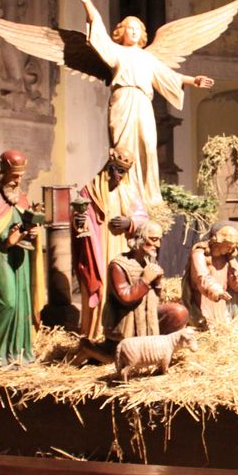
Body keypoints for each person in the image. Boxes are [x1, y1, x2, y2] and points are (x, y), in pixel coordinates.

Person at [77, 0, 215, 208]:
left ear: (142, 34)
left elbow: (168, 75)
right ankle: (124, 194)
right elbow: (98, 32)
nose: (133, 31)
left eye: (137, 29)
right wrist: (87, 3)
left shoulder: (147, 57)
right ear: (121, 32)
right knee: (124, 148)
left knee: (148, 146)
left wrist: (193, 80)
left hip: (142, 102)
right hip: (124, 100)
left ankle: (149, 198)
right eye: (129, 28)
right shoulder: (116, 52)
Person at [0, 150, 46, 366]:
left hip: (20, 258)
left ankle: (17, 353)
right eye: (14, 176)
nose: (18, 181)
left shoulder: (22, 198)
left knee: (22, 304)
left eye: (20, 176)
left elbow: (26, 225)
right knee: (7, 303)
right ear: (3, 173)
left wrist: (32, 232)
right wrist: (7, 238)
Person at [73, 147, 148, 344]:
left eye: (123, 172)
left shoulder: (129, 192)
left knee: (122, 284)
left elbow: (143, 218)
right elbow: (79, 217)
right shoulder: (90, 190)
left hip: (122, 247)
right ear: (108, 167)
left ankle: (122, 330)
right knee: (102, 284)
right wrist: (79, 221)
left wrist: (130, 222)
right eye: (116, 169)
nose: (119, 176)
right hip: (98, 248)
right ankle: (97, 332)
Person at [102, 221, 189, 343]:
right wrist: (145, 280)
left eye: (159, 240)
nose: (158, 245)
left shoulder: (147, 263)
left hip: (147, 315)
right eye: (153, 239)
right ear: (140, 238)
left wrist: (157, 283)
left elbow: (157, 298)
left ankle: (157, 344)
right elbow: (125, 298)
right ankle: (96, 348)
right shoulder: (118, 265)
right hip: (126, 321)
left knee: (179, 313)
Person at [182, 224, 238, 328]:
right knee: (205, 325)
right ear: (219, 242)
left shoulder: (227, 257)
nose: (231, 250)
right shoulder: (199, 254)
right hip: (202, 301)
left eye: (234, 247)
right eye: (229, 246)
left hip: (221, 304)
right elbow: (202, 277)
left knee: (224, 325)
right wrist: (217, 291)